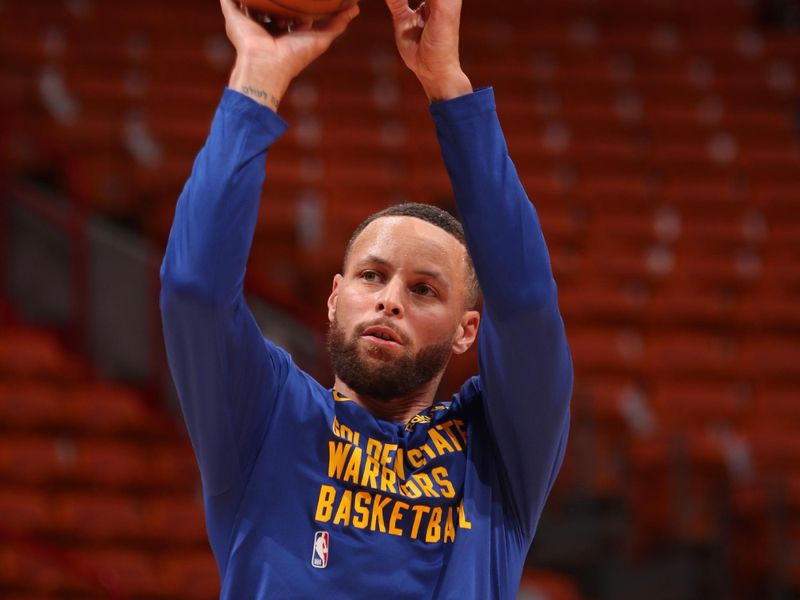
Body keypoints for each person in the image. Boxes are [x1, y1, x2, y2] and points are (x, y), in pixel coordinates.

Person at [159, 0, 573, 596]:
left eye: (424, 289)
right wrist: (258, 77)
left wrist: (447, 85)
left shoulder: (499, 456)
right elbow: (194, 289)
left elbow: (528, 303)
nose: (390, 301)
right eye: (372, 276)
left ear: (467, 330)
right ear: (334, 298)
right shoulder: (267, 416)